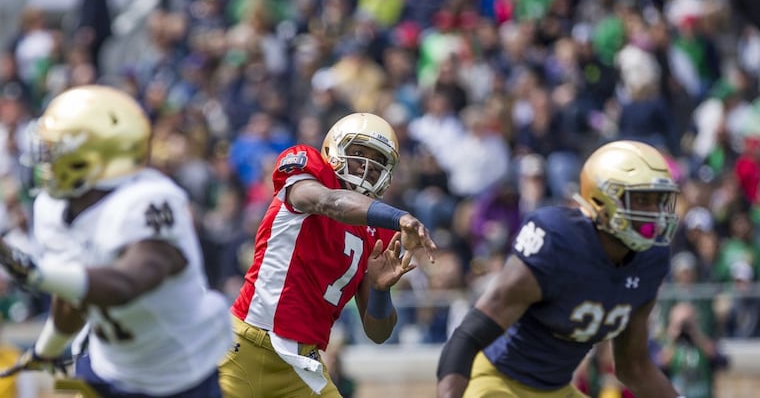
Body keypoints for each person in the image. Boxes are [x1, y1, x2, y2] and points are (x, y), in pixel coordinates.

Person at [0, 84, 231, 397]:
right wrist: (47, 349)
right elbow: (72, 294)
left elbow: (127, 283)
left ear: (93, 157)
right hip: (112, 366)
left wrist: (35, 273)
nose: (44, 160)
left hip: (178, 372)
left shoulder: (150, 199)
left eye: (54, 150)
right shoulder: (52, 208)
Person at [437, 140, 685, 398]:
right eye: (642, 199)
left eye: (659, 201)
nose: (654, 213)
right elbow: (468, 336)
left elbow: (634, 367)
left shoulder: (650, 258)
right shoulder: (559, 242)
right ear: (602, 199)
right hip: (497, 381)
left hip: (557, 390)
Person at [218, 112, 437, 398]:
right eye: (359, 153)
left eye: (378, 161)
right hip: (245, 345)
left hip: (301, 365)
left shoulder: (378, 233)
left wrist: (382, 290)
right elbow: (330, 202)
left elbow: (378, 333)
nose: (368, 166)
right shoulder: (308, 170)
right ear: (335, 150)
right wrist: (400, 217)